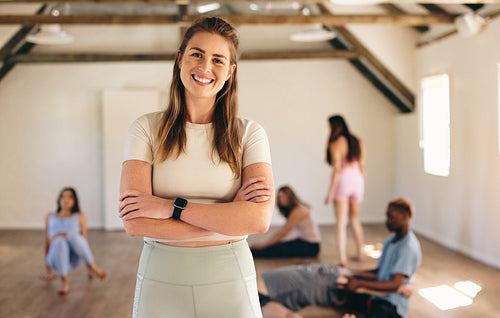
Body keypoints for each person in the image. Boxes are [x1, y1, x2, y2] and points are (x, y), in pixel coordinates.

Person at [118, 17, 274, 318]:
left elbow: (257, 220)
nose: (205, 67)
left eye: (218, 59)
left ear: (231, 71)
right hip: (161, 277)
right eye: (197, 54)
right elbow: (135, 223)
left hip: (230, 277)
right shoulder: (144, 129)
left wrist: (170, 207)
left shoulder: (249, 134)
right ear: (180, 59)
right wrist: (228, 216)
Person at [258, 198, 422, 318]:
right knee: (331, 277)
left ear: (405, 216)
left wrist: (360, 283)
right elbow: (380, 273)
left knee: (325, 279)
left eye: (390, 217)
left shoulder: (408, 247)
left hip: (388, 304)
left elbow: (393, 283)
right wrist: (350, 273)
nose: (387, 221)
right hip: (375, 296)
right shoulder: (390, 242)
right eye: (386, 216)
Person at [40, 187, 107, 295]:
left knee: (73, 236)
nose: (65, 199)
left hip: (73, 258)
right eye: (63, 196)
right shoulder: (50, 216)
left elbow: (83, 241)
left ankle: (92, 267)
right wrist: (49, 270)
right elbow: (47, 242)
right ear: (59, 199)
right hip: (55, 258)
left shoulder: (80, 216)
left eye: (70, 197)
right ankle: (64, 282)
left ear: (75, 200)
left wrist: (65, 234)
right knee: (60, 241)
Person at [324, 115, 366, 267]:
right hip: (357, 180)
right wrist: (362, 185)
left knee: (341, 222)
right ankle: (360, 253)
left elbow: (336, 170)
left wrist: (330, 193)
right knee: (355, 219)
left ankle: (342, 258)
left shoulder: (335, 144)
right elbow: (362, 166)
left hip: (343, 180)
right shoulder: (357, 141)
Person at [250, 185, 321, 258]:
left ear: (290, 197)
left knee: (274, 250)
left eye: (284, 197)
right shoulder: (298, 207)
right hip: (304, 242)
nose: (281, 200)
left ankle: (250, 253)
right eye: (280, 197)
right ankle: (251, 252)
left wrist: (263, 245)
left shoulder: (298, 211)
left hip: (311, 247)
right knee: (277, 247)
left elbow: (283, 232)